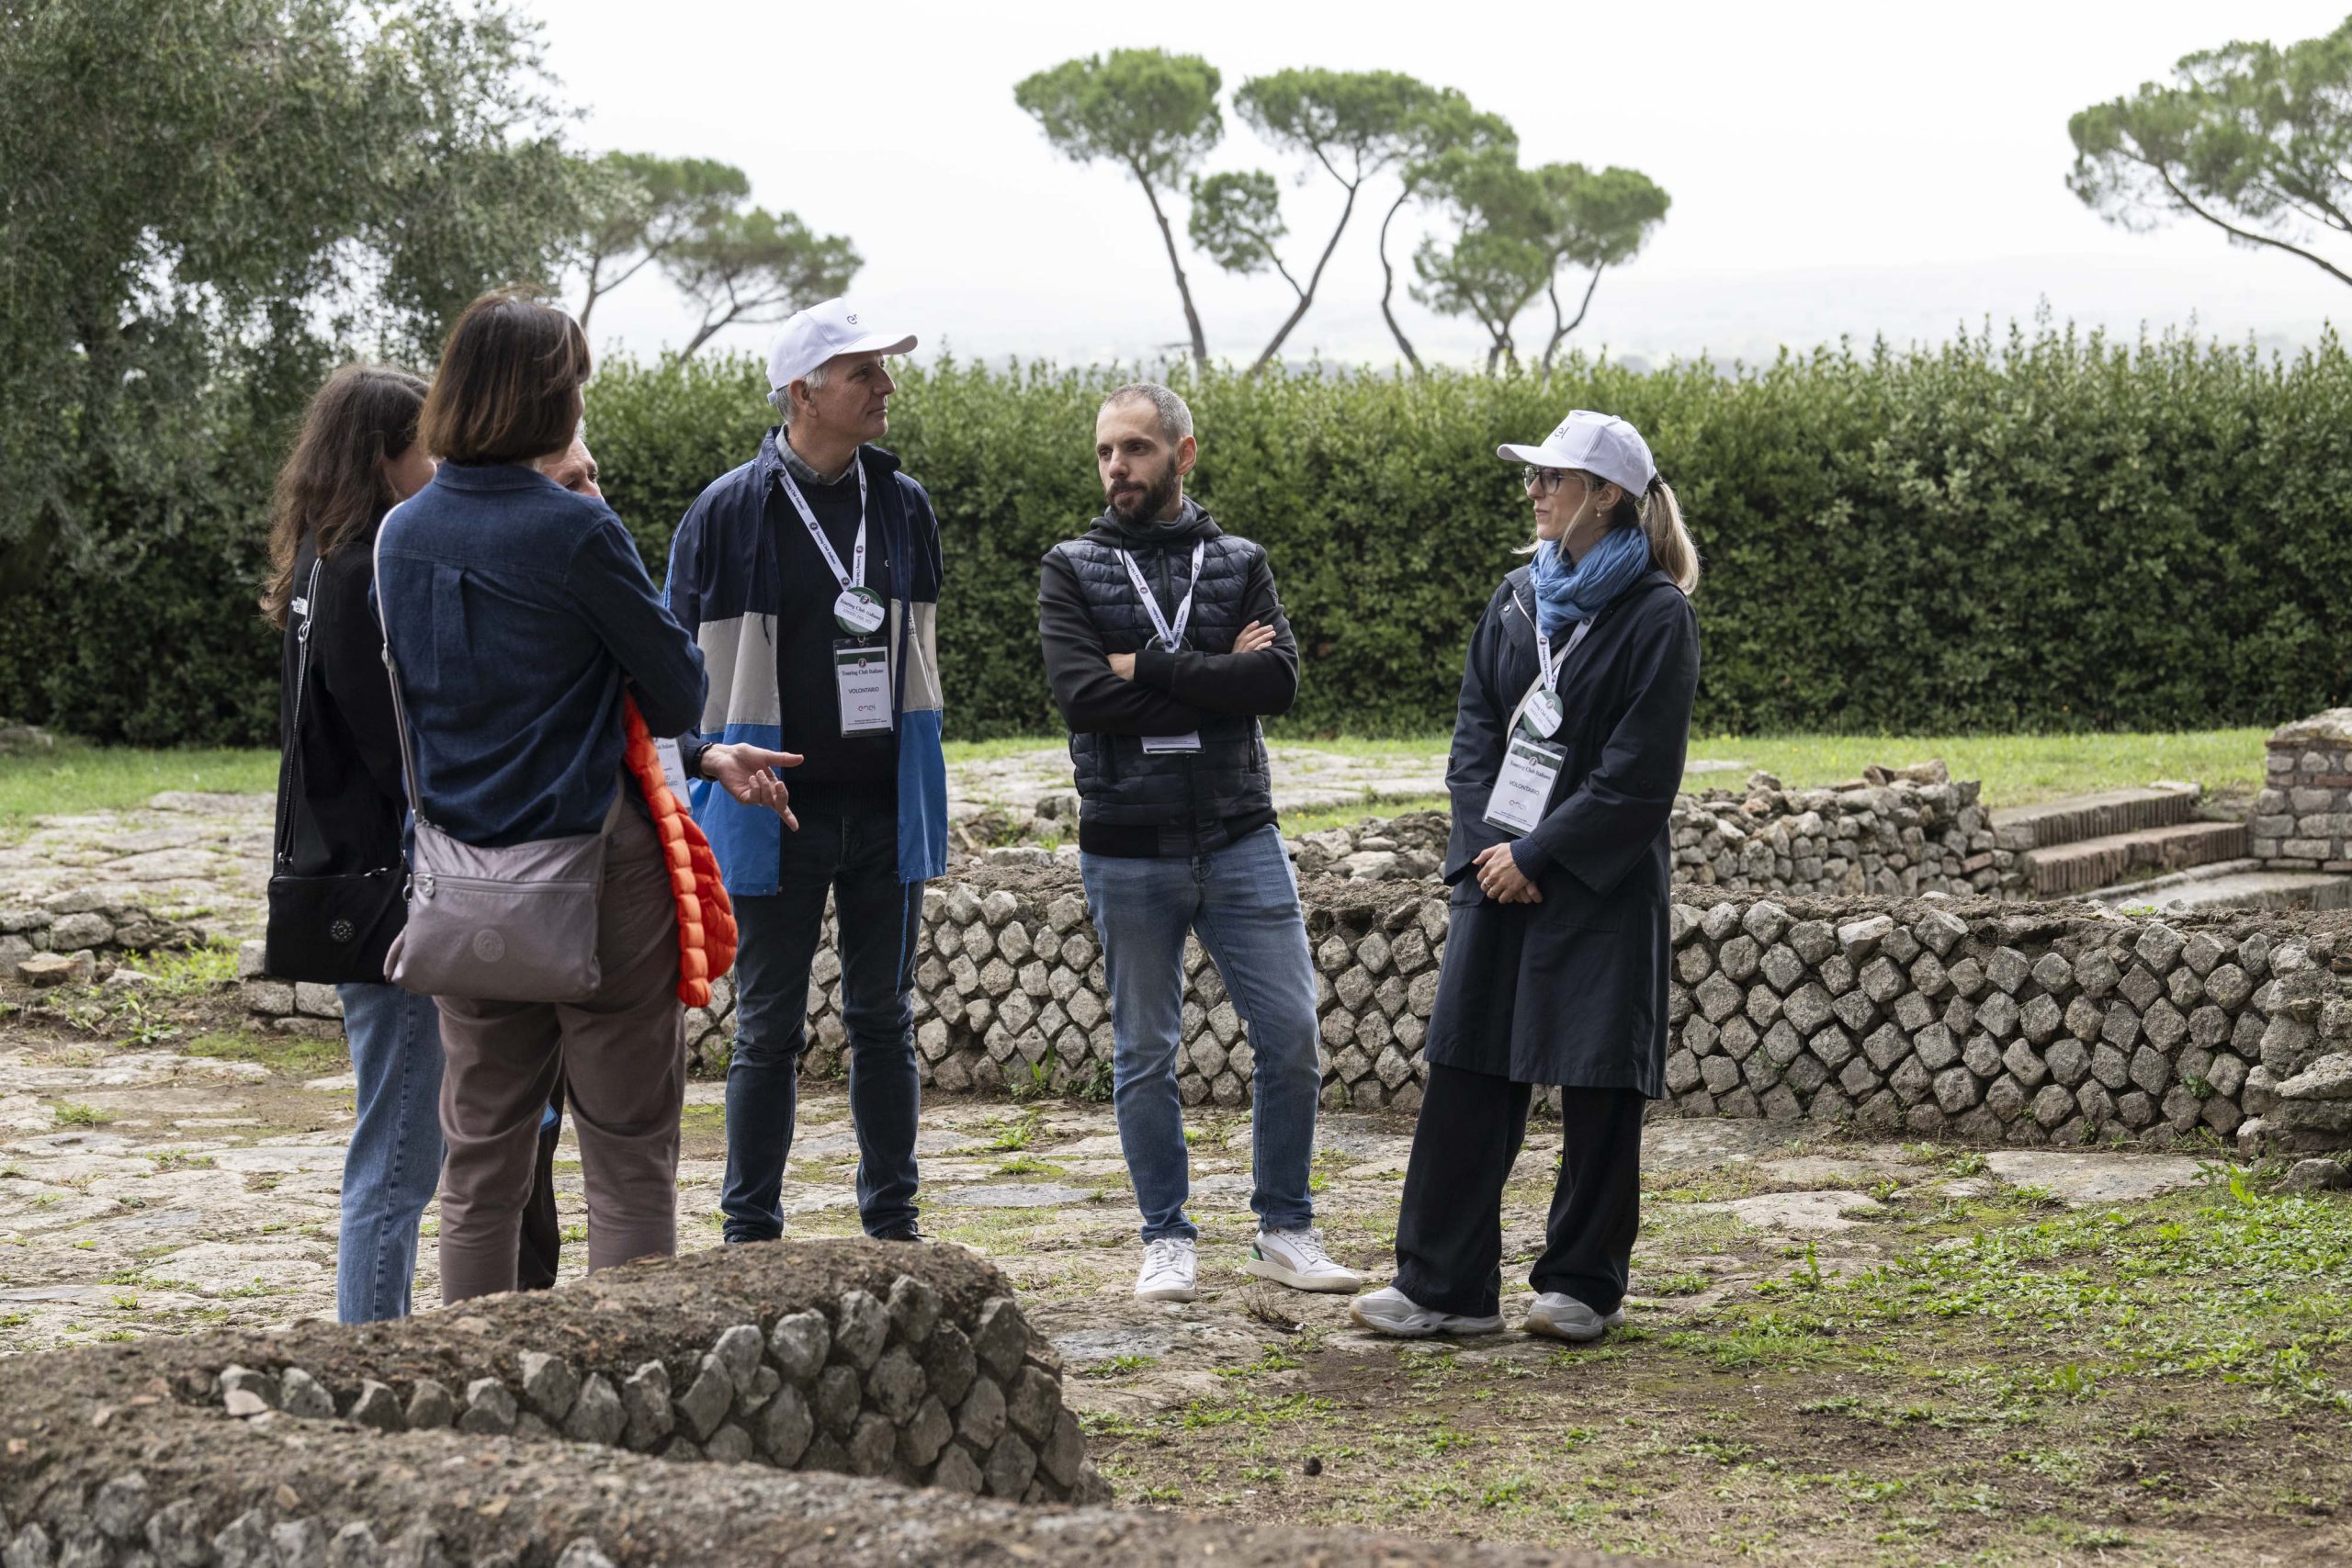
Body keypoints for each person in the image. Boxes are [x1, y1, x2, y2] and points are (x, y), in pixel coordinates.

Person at [373, 288, 719, 1303]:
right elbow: (679, 693)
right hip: (595, 869)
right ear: (546, 399)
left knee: (479, 1162)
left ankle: (475, 1389)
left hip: (462, 877)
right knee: (626, 1151)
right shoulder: (575, 531)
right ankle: (624, 1387)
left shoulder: (400, 536)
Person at [1351, 410, 1701, 1342]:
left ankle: (1581, 1284)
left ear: (1608, 497)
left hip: (1597, 880)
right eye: (1534, 477)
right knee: (1466, 1068)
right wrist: (1484, 851)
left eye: (1554, 477)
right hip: (1493, 867)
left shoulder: (1659, 617)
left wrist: (1540, 856)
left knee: (1597, 1084)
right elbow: (1473, 734)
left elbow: (1638, 777)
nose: (1535, 491)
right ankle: (1443, 1287)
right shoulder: (1514, 599)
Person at [1038, 382, 1361, 1303]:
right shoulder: (1070, 567)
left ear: (1182, 455)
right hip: (1125, 843)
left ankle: (1285, 1229)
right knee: (1144, 1051)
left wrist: (1146, 664)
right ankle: (1166, 1237)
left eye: (1135, 450)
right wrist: (1217, 672)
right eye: (1104, 452)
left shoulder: (1239, 559)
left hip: (1236, 835)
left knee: (1292, 1034)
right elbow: (1080, 696)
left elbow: (1279, 682)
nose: (1115, 468)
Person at [664, 298, 949, 1247]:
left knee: (884, 1019)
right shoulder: (725, 509)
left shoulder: (902, 502)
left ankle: (895, 1229)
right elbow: (674, 669)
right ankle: (750, 1235)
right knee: (768, 1030)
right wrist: (696, 770)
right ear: (803, 391)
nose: (887, 389)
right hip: (770, 804)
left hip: (881, 802)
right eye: (864, 373)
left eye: (882, 370)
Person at [262, 365, 442, 1323]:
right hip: (390, 889)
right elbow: (394, 749)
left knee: (396, 1130)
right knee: (401, 1147)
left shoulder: (315, 558)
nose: (443, 462)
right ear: (383, 455)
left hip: (340, 879)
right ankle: (373, 1348)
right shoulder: (370, 563)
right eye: (429, 445)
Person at [511, 433, 605, 1290]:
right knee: (517, 1140)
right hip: (521, 889)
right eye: (573, 480)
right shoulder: (541, 574)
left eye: (596, 473)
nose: (593, 492)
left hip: (590, 887)